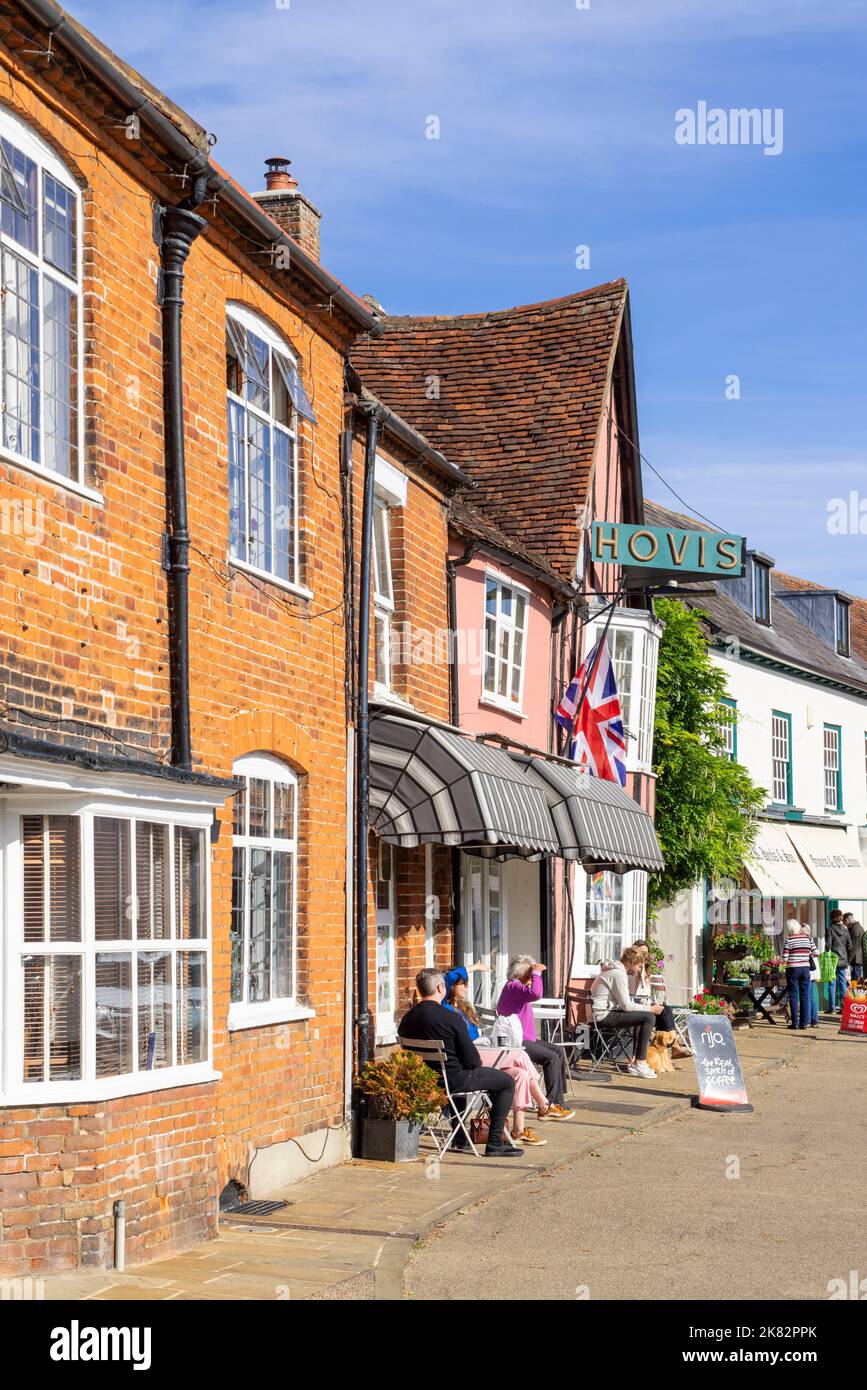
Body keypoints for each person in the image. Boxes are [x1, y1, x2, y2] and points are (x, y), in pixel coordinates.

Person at [398, 968, 520, 1158]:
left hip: (425, 1081)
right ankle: (495, 1142)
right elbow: (472, 1060)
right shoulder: (451, 1018)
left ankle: (460, 1138)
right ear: (440, 987)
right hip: (453, 1080)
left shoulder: (407, 1019)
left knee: (458, 1078)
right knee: (506, 1082)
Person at [444, 965, 549, 1143]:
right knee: (520, 1054)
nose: (465, 987)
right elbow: (447, 977)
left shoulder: (464, 1007)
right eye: (462, 984)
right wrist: (474, 966)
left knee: (521, 1074)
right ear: (451, 987)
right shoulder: (445, 1008)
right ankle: (545, 1105)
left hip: (482, 1054)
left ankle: (518, 1130)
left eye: (466, 984)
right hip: (471, 1062)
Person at [496, 956, 575, 1120]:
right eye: (529, 972)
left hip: (525, 1038)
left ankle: (558, 1101)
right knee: (551, 1058)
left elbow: (533, 993)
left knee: (559, 1051)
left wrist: (534, 974)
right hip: (518, 1041)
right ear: (521, 973)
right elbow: (537, 993)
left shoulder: (516, 987)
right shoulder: (513, 987)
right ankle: (549, 1105)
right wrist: (537, 973)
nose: (531, 977)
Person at [589, 946, 663, 1079]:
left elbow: (624, 1003)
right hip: (602, 1016)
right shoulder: (618, 974)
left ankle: (637, 1062)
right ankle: (639, 1062)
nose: (640, 970)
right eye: (640, 966)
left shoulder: (614, 971)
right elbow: (627, 1006)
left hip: (600, 1013)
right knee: (649, 1017)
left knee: (643, 1017)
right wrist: (651, 1008)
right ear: (631, 962)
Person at [782, 920, 815, 1030]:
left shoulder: (789, 939)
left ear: (790, 929)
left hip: (793, 969)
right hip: (805, 969)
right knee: (805, 995)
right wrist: (805, 955)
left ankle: (795, 1023)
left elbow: (785, 958)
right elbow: (816, 953)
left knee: (793, 995)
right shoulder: (808, 938)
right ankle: (804, 1023)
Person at [825, 910, 852, 1013]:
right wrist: (847, 959)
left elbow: (828, 946)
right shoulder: (846, 930)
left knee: (832, 983)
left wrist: (827, 955)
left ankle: (831, 1007)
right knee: (842, 983)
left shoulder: (830, 929)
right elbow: (849, 946)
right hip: (843, 959)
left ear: (832, 918)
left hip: (832, 959)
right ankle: (844, 1007)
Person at [845, 916, 864, 982]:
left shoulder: (855, 929)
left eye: (845, 923)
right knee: (855, 979)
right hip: (857, 958)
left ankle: (855, 992)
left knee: (855, 980)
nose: (845, 925)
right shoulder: (856, 927)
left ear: (847, 920)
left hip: (856, 958)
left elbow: (854, 947)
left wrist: (849, 960)